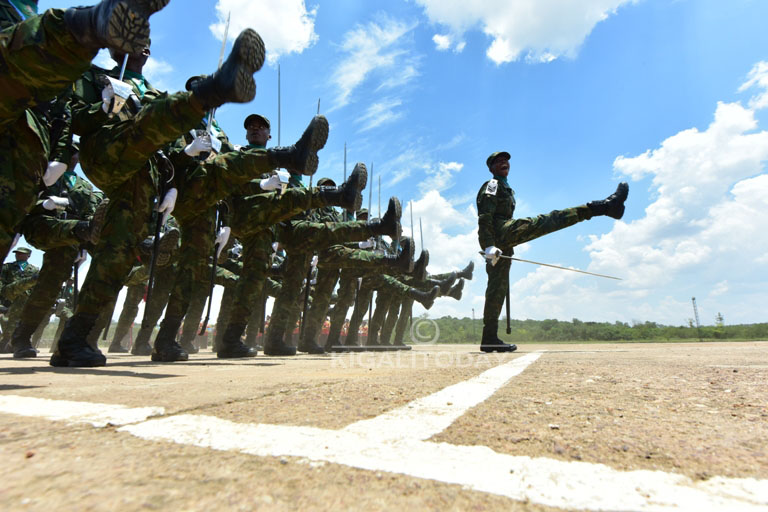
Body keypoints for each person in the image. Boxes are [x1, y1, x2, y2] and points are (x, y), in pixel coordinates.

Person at [478, 151, 628, 352]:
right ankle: (602, 207)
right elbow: (485, 216)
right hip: (499, 234)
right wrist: (487, 245)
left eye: (505, 160)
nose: (503, 162)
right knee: (547, 221)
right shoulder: (492, 185)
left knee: (498, 289)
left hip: (502, 245)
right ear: (491, 168)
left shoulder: (507, 188)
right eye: (498, 161)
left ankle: (489, 339)